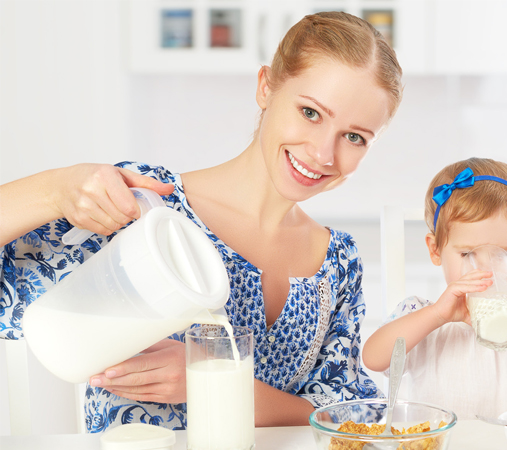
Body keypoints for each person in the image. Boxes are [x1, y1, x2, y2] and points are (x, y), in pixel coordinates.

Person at [0, 11, 402, 432]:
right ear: (266, 87)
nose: (323, 154)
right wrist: (55, 189)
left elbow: (344, 418)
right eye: (310, 112)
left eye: (355, 137)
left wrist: (212, 379)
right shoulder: (148, 211)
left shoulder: (337, 260)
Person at [361, 157, 507, 419]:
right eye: (467, 253)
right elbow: (373, 358)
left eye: (504, 253)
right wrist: (436, 317)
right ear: (435, 250)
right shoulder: (422, 312)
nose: (487, 269)